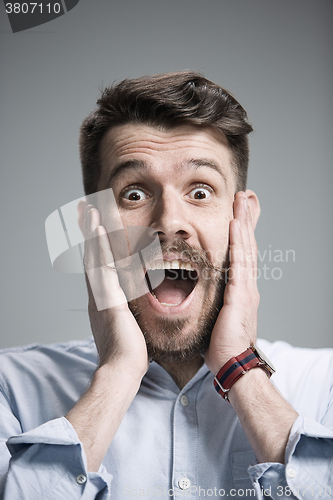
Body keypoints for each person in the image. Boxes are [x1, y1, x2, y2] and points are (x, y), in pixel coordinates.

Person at [0, 71, 332, 500]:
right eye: (134, 194)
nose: (170, 221)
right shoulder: (10, 388)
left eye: (200, 191)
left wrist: (242, 371)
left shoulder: (323, 387)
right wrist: (117, 374)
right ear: (91, 228)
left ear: (242, 219)